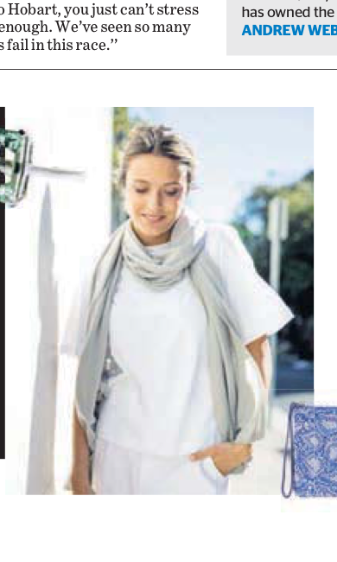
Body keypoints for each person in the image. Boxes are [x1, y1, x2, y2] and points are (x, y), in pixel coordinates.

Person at [65, 122, 292, 497]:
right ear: (123, 187)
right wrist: (78, 477)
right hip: (115, 454)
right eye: (141, 189)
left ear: (187, 189)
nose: (154, 205)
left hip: (195, 460)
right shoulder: (101, 263)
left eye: (171, 192)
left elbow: (257, 343)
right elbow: (83, 377)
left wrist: (244, 441)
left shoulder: (217, 247)